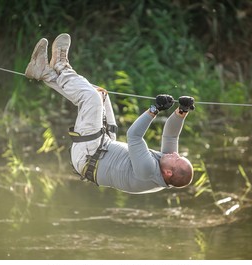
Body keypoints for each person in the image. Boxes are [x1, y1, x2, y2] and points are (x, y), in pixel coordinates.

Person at [25, 33, 195, 194]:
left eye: (176, 159)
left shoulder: (148, 171)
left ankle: (61, 65)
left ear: (168, 173)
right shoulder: (169, 164)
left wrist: (155, 109)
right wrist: (182, 111)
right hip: (105, 146)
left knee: (90, 97)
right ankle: (44, 72)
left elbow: (134, 136)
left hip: (89, 157)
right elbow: (171, 137)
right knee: (101, 95)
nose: (174, 154)